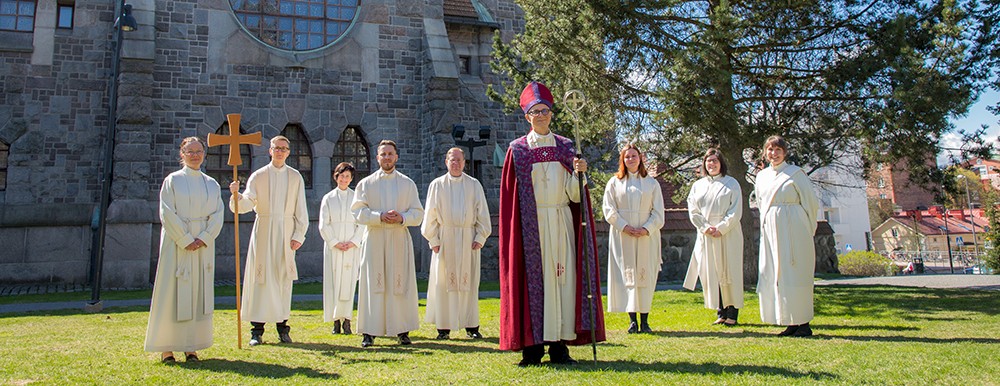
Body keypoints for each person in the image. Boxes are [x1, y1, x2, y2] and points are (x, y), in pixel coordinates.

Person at [498, 81, 606, 366]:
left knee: (562, 280)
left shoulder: (566, 147)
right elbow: (512, 198)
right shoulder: (518, 150)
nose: (541, 115)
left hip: (560, 221)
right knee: (535, 284)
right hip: (532, 228)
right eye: (535, 111)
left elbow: (574, 196)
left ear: (552, 114)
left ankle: (559, 346)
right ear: (527, 117)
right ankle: (532, 349)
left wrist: (579, 174)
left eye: (545, 110)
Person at [145, 137, 224, 363]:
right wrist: (185, 238)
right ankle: (167, 348)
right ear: (182, 154)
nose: (195, 155)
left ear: (204, 154)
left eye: (199, 151)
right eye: (190, 152)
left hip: (202, 246)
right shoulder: (173, 181)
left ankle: (191, 346)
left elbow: (218, 214)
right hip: (177, 243)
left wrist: (204, 238)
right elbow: (166, 211)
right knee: (172, 293)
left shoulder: (212, 184)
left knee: (198, 293)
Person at [228, 135, 309, 346]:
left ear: (288, 152)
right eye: (276, 148)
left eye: (284, 148)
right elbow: (246, 204)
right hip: (263, 231)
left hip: (286, 232)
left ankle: (283, 329)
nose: (280, 151)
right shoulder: (259, 175)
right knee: (260, 279)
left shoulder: (295, 177)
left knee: (283, 280)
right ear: (270, 151)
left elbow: (301, 208)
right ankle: (257, 331)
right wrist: (237, 196)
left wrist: (298, 235)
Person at [352, 140, 424, 347]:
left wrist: (402, 217)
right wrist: (379, 216)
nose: (387, 158)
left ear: (396, 157)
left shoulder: (407, 183)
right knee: (372, 283)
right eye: (383, 154)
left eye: (390, 154)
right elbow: (357, 211)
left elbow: (418, 214)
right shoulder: (365, 184)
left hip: (398, 238)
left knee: (400, 283)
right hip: (374, 237)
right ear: (377, 158)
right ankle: (369, 331)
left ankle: (402, 330)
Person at [421, 148, 492, 340]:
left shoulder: (474, 184)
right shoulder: (437, 185)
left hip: (468, 239)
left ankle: (471, 326)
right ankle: (443, 328)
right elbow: (430, 215)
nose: (456, 163)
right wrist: (433, 240)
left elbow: (482, 213)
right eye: (452, 160)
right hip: (445, 239)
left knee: (468, 283)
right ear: (446, 162)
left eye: (459, 160)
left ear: (464, 162)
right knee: (444, 282)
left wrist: (480, 237)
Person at [754, 135, 819, 337]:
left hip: (794, 228)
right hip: (771, 229)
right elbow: (761, 202)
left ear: (785, 152)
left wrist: (807, 230)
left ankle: (803, 322)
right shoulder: (762, 176)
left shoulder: (796, 174)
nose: (774, 154)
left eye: (778, 150)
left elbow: (810, 203)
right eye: (770, 150)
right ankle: (789, 319)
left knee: (796, 272)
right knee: (778, 274)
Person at [603, 144, 665, 334]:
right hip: (624, 236)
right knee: (627, 275)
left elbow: (658, 212)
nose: (631, 159)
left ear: (640, 158)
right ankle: (632, 320)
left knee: (644, 275)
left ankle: (645, 320)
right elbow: (608, 209)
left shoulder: (651, 183)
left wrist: (646, 228)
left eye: (634, 156)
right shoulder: (614, 183)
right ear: (622, 160)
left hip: (647, 236)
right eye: (627, 156)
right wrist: (625, 226)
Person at [684, 148, 744, 326]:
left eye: (715, 161)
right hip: (707, 235)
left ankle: (732, 313)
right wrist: (705, 227)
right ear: (704, 164)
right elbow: (693, 210)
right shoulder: (698, 186)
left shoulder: (731, 183)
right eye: (708, 161)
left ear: (721, 163)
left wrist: (721, 228)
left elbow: (735, 210)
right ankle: (721, 312)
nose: (712, 164)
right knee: (713, 273)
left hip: (728, 234)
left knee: (729, 271)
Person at [319, 162, 364, 335]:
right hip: (334, 247)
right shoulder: (328, 198)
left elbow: (361, 223)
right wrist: (335, 242)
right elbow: (324, 223)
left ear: (351, 179)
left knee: (349, 282)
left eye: (347, 176)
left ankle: (347, 320)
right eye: (341, 175)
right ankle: (335, 321)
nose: (344, 179)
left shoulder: (356, 199)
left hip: (352, 247)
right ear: (336, 176)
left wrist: (353, 241)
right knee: (334, 282)